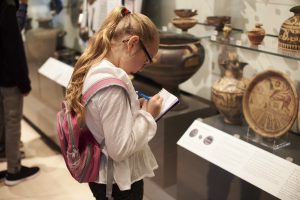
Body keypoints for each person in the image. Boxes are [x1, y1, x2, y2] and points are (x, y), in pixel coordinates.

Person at [65, 6, 163, 199]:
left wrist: (134, 109)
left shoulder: (97, 67)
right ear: (133, 44)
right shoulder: (112, 87)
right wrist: (148, 115)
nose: (143, 67)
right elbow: (119, 149)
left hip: (105, 177)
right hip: (117, 183)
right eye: (146, 60)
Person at [0, 0, 40, 186]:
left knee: (3, 122)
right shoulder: (7, 8)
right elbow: (14, 49)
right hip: (9, 79)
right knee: (12, 123)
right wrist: (24, 84)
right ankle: (13, 170)